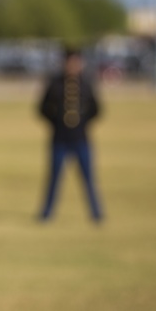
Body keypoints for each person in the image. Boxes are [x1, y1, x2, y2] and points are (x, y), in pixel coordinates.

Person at [37, 47, 103, 222]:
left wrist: (83, 122)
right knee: (54, 178)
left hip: (81, 139)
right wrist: (55, 122)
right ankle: (47, 213)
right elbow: (42, 108)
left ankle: (96, 214)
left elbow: (96, 109)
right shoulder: (55, 83)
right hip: (59, 139)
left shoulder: (86, 83)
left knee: (88, 178)